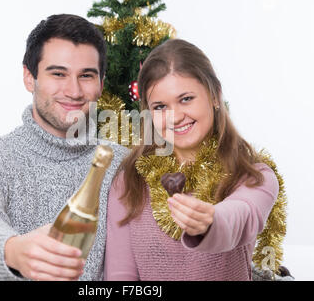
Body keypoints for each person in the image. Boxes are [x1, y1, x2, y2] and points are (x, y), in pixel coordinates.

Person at [0, 14, 128, 281]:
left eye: (87, 76)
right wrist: (14, 250)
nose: (74, 90)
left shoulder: (122, 163)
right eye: (58, 73)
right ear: (29, 78)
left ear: (101, 84)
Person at [104, 38, 280, 281]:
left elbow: (241, 215)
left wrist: (210, 221)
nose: (175, 117)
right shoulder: (128, 182)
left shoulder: (253, 176)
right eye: (160, 107)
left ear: (215, 95)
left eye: (186, 99)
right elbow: (120, 275)